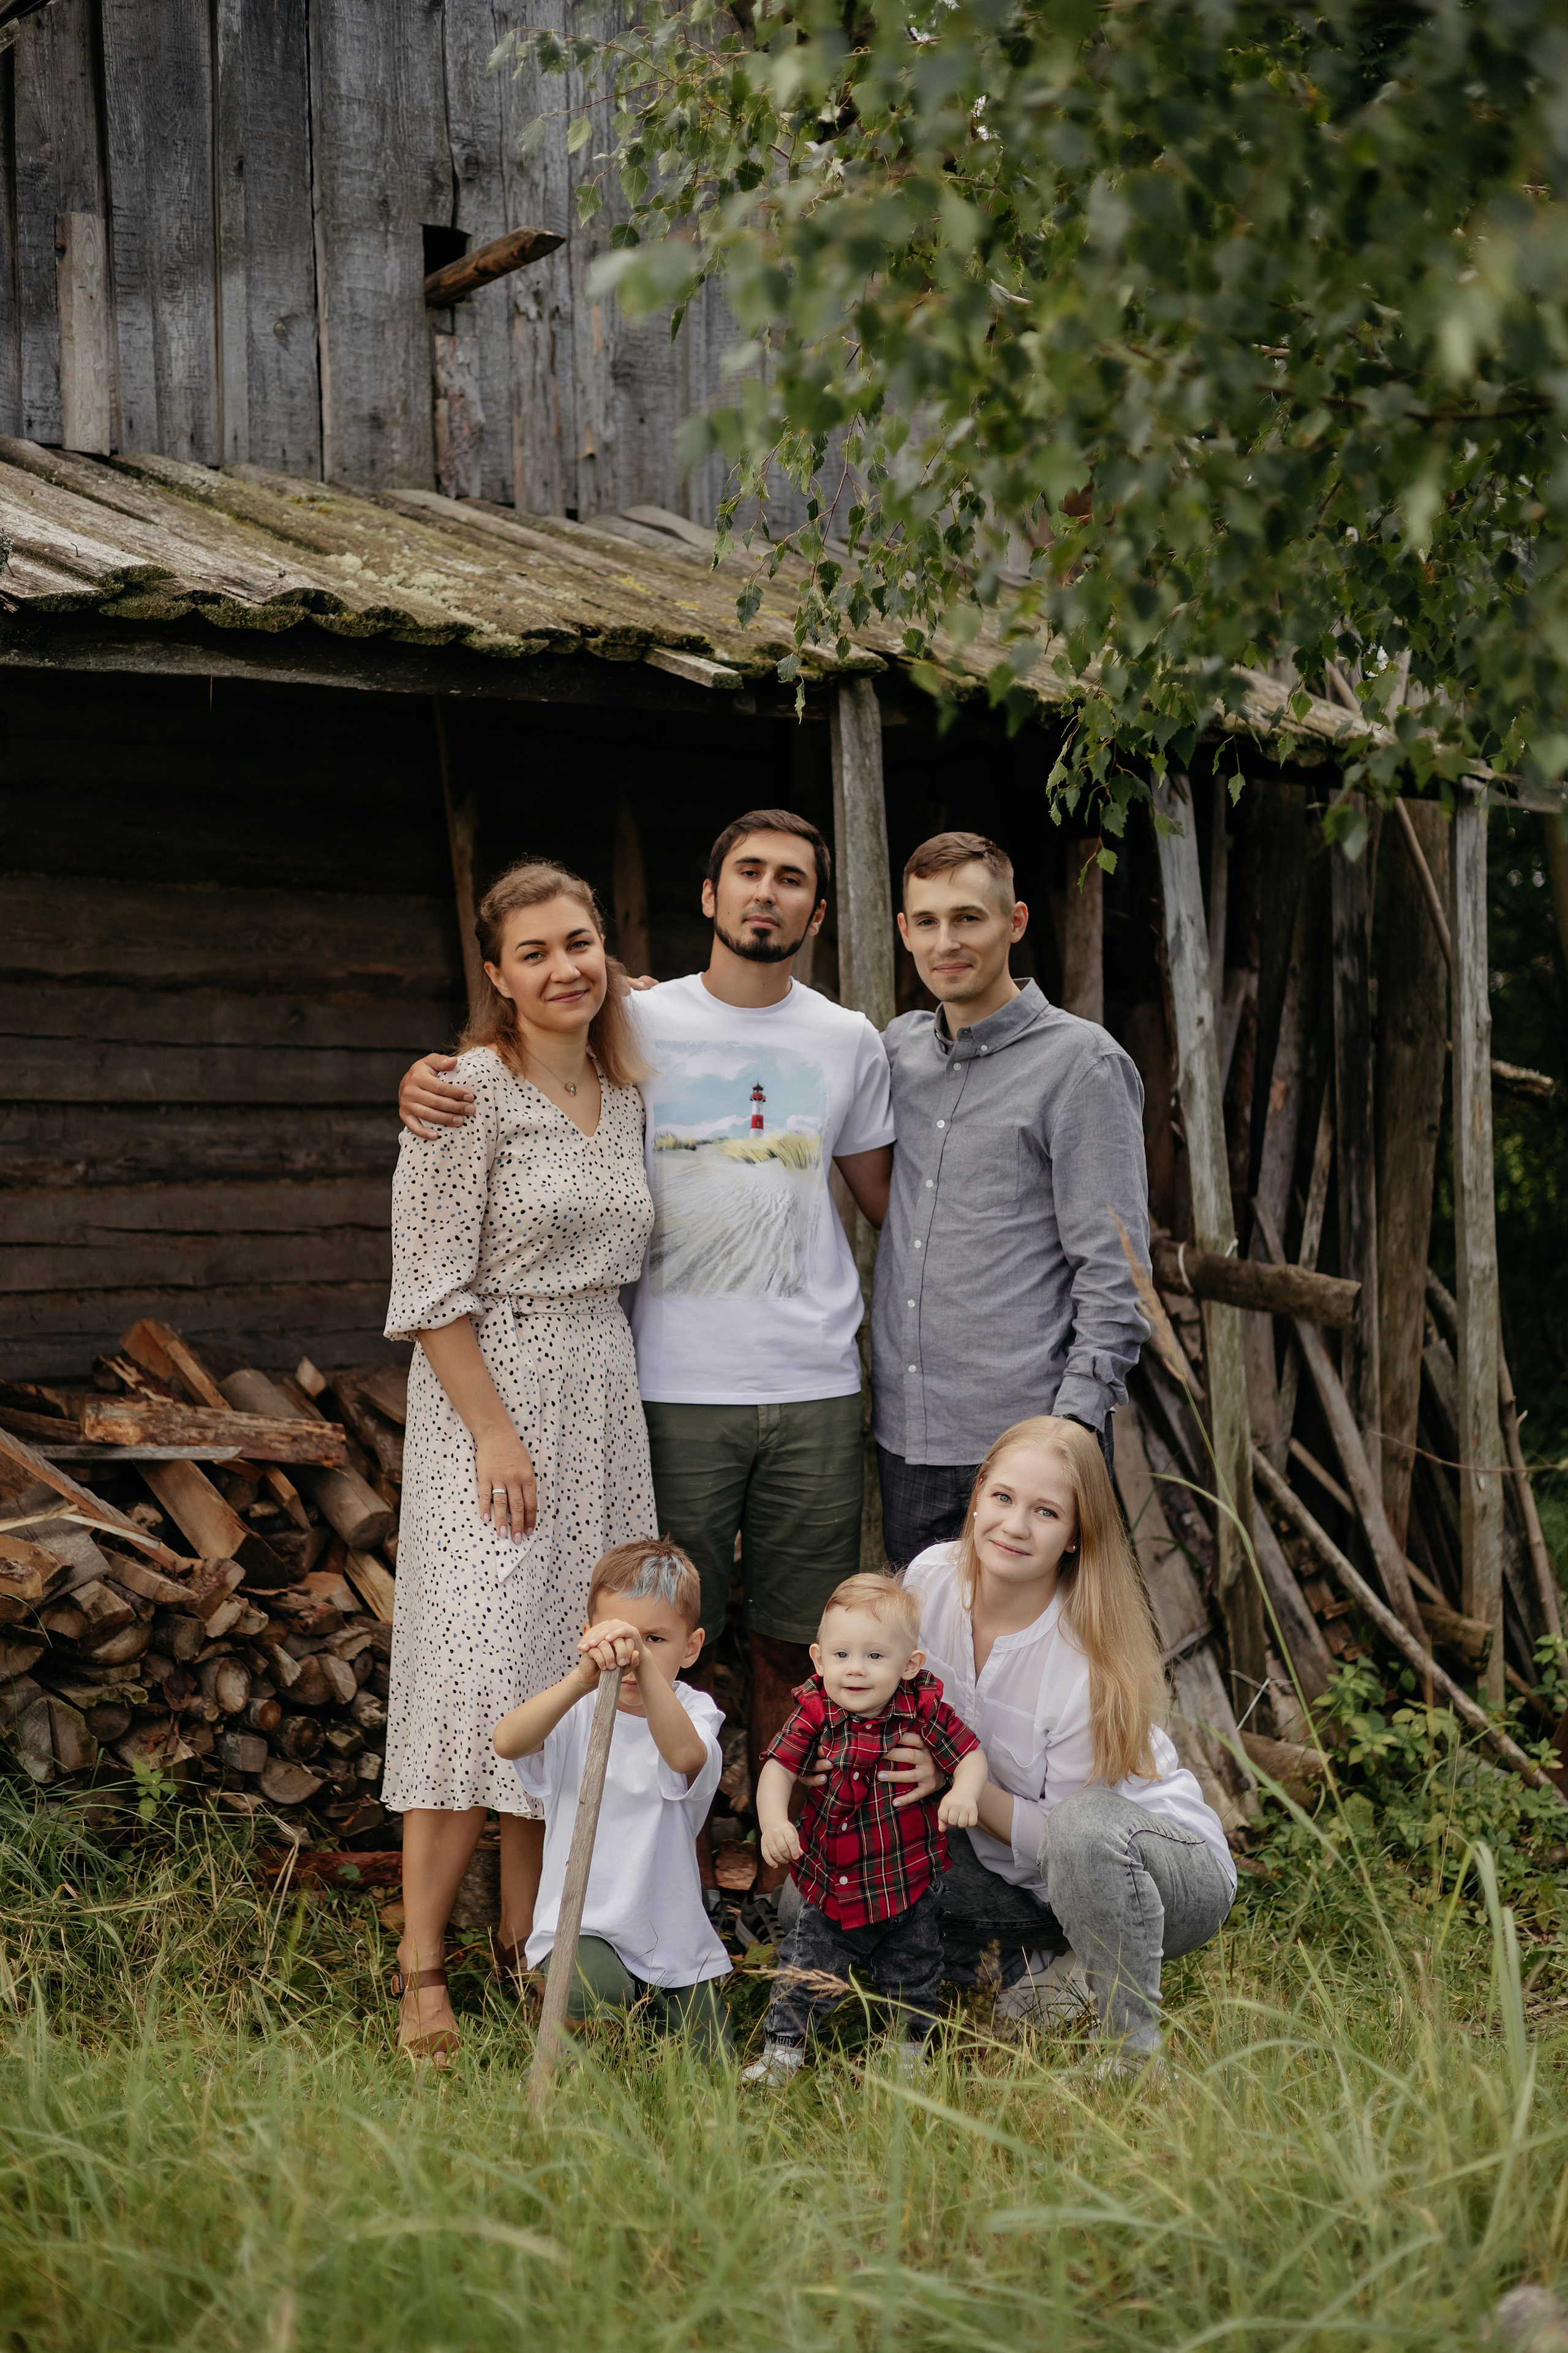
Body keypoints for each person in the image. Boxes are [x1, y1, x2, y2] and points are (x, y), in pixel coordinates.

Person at [398, 810, 896, 1931]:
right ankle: (493, 1933)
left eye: (793, 882)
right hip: (613, 1392)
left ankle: (713, 1886)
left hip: (715, 1386)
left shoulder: (796, 1046)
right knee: (566, 1652)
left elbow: (891, 1203)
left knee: (730, 1641)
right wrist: (423, 1078)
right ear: (709, 895)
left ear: (819, 912)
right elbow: (444, 1232)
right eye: (747, 875)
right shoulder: (590, 1044)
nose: (768, 896)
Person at [382, 859, 657, 2064]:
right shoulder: (460, 1096)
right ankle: (422, 1965)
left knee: (566, 1665)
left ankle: (529, 1942)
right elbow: (428, 1285)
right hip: (485, 1404)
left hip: (603, 1399)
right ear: (496, 975)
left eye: (580, 942)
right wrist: (496, 1429)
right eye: (535, 952)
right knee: (469, 1683)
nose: (564, 968)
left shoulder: (626, 1087)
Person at [904, 1414, 1235, 2068]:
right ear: (975, 1498)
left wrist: (949, 1779)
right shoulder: (929, 1581)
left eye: (1046, 1512)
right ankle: (1048, 1964)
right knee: (824, 1888)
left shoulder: (1084, 1658)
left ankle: (1128, 2052)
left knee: (1082, 1830)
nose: (1015, 1525)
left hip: (1154, 1871)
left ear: (1077, 1536)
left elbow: (1058, 1838)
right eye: (1002, 1498)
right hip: (1014, 1878)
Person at [873, 832, 1151, 1570]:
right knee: (923, 1671)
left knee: (1038, 1668)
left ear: (1015, 922)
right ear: (903, 931)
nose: (946, 941)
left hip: (1028, 1443)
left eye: (968, 918)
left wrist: (1069, 1433)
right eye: (926, 922)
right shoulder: (896, 1051)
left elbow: (1115, 1271)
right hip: (909, 1438)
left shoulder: (1082, 1065)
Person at [742, 1573, 987, 2084]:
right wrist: (772, 1820)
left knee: (914, 1972)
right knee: (803, 1968)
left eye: (875, 1656)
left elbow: (970, 1755)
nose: (855, 1669)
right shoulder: (815, 1714)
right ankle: (783, 2052)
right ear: (818, 1659)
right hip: (832, 1886)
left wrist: (963, 1791)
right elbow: (778, 1768)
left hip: (908, 1882)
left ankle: (906, 2056)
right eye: (842, 1655)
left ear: (909, 1665)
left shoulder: (921, 1711)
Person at [494, 1538, 732, 2056]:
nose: (632, 1654)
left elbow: (685, 1757)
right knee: (598, 1991)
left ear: (690, 1647)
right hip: (581, 1924)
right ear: (588, 1636)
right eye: (621, 1638)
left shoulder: (694, 1712)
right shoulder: (575, 1709)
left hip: (668, 1933)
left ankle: (646, 2021)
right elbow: (507, 1740)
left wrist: (645, 1668)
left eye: (654, 1639)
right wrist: (581, 1679)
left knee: (708, 2066)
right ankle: (587, 2052)